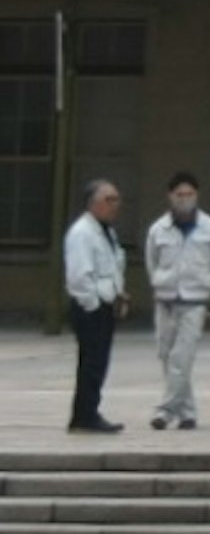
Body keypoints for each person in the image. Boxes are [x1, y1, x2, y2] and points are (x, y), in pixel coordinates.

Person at [140, 171, 210, 431]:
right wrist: (160, 283)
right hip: (166, 298)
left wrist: (206, 285)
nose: (184, 199)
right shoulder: (158, 229)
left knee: (183, 356)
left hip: (195, 299)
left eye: (189, 194)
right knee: (167, 355)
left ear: (197, 195)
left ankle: (165, 410)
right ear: (170, 196)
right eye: (179, 194)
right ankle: (187, 412)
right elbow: (151, 262)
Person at [59, 179, 128, 435]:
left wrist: (118, 295)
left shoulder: (106, 231)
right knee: (91, 361)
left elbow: (112, 267)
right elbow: (79, 275)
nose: (114, 206)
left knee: (98, 361)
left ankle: (87, 410)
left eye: (116, 200)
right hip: (91, 306)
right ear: (93, 203)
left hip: (105, 302)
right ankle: (84, 415)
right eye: (109, 200)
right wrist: (92, 303)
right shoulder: (82, 233)